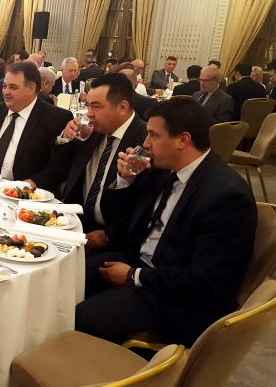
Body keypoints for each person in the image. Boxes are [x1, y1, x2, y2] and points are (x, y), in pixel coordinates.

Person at [76, 98, 255, 346]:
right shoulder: (165, 169)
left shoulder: (225, 196)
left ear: (183, 140)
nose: (145, 144)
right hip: (139, 261)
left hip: (176, 298)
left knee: (81, 318)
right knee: (68, 277)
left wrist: (134, 275)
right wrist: (126, 180)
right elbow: (130, 219)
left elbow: (205, 281)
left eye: (153, 135)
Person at [48, 73, 147, 243]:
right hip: (74, 222)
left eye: (96, 107)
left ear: (122, 107)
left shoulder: (144, 141)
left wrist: (109, 235)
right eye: (88, 106)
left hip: (115, 237)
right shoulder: (91, 130)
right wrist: (65, 137)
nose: (89, 114)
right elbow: (60, 166)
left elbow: (145, 205)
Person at [0, 62, 71, 187]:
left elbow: (59, 167)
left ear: (31, 88)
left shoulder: (55, 118)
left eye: (13, 87)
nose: (6, 92)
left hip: (25, 191)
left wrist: (30, 184)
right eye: (4, 86)